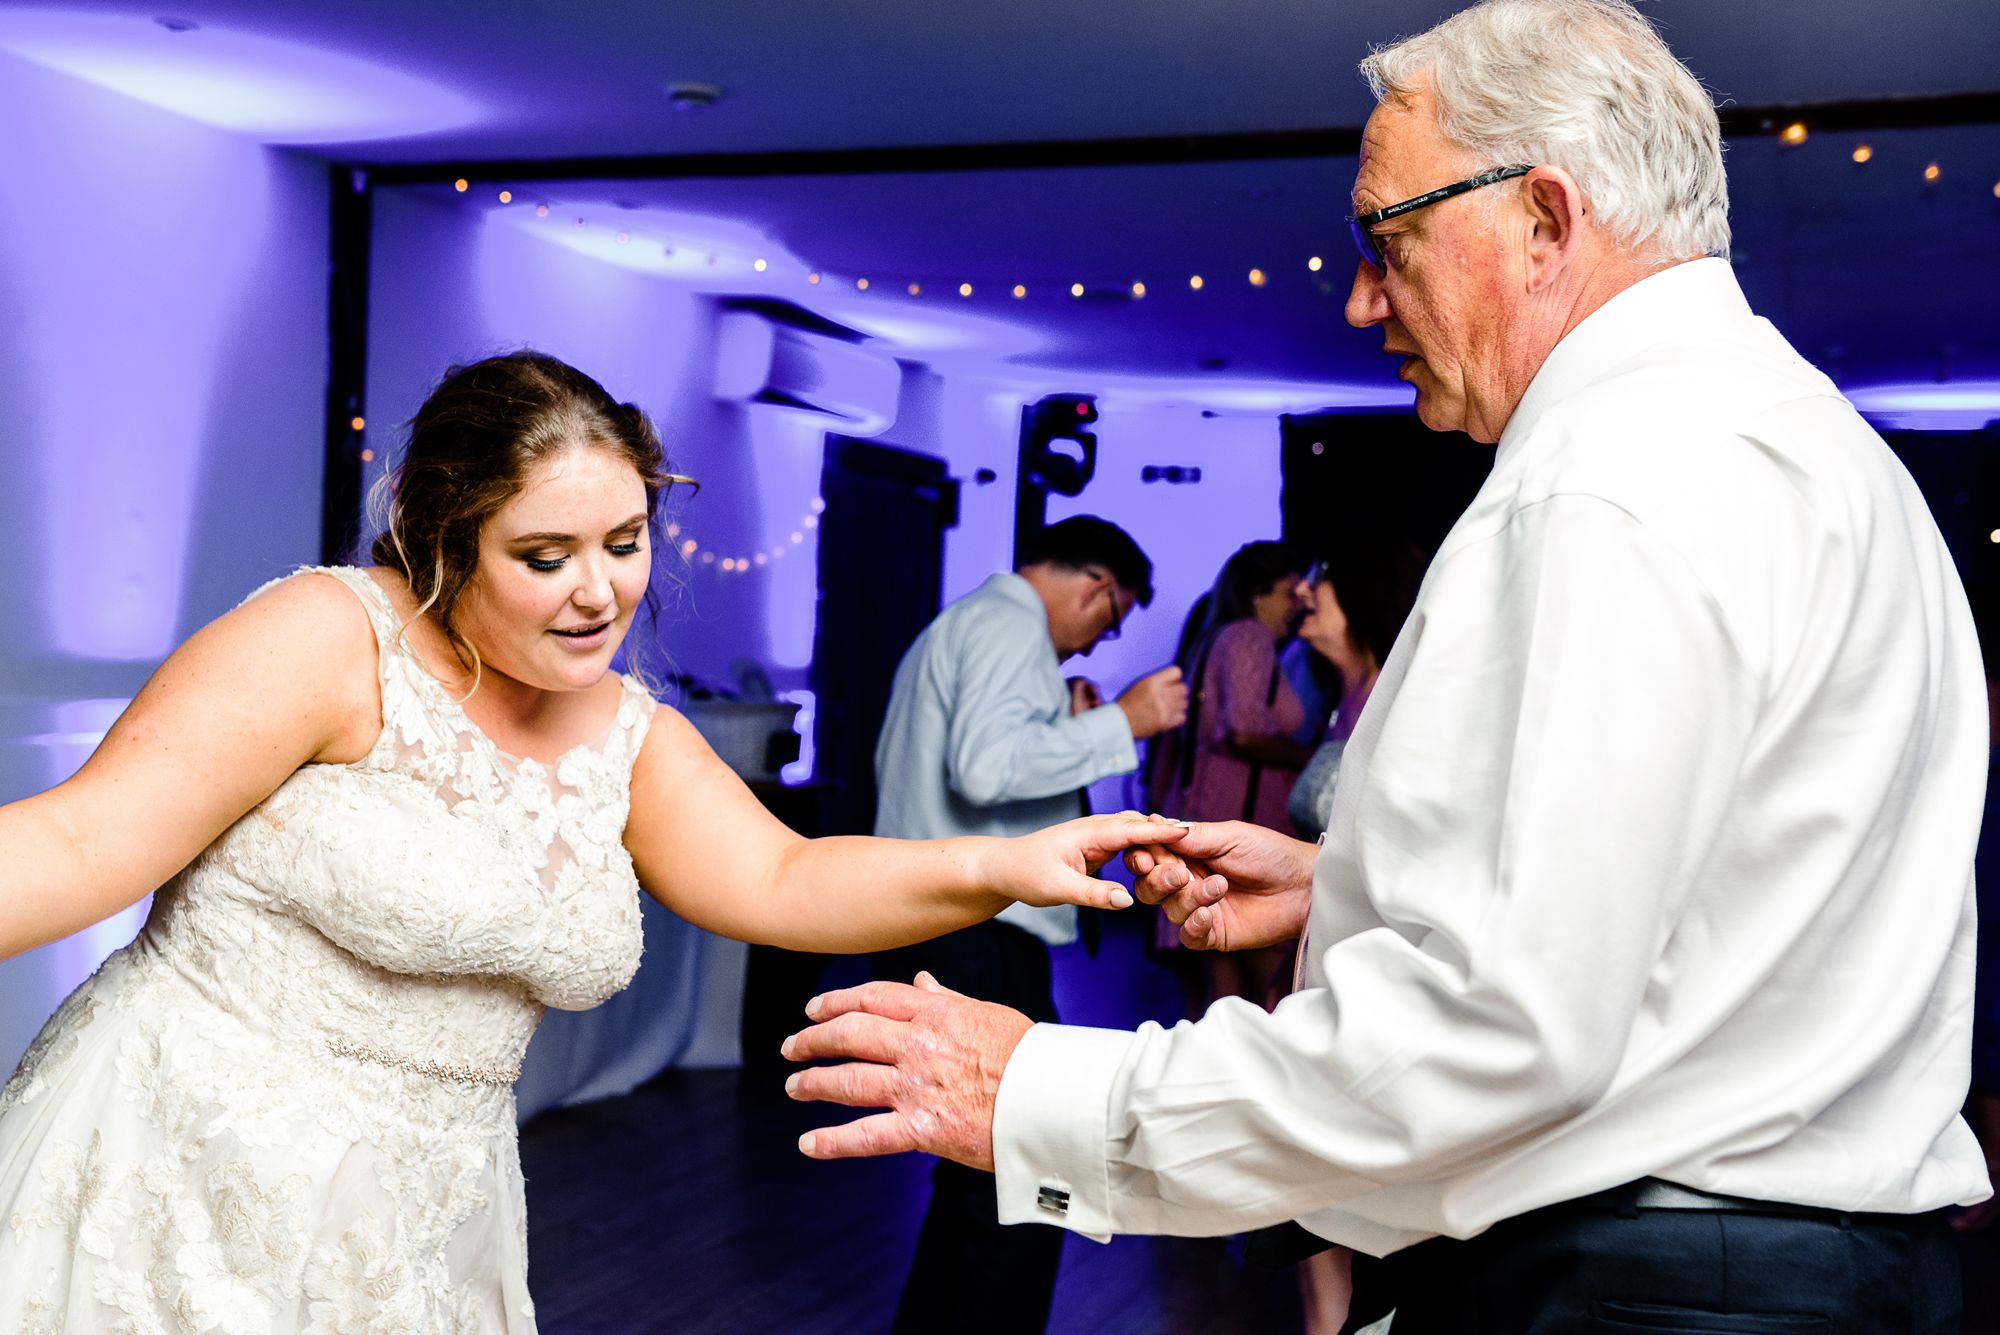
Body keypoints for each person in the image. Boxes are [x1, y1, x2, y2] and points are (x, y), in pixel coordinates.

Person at [780, 3, 1991, 1331]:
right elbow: (1723, 901)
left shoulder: (1608, 486)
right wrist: (1351, 882)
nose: (1361, 297)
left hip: (1648, 1282)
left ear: (1544, 216)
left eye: (1387, 240)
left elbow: (1502, 1029)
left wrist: (1046, 1092)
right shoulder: (1823, 453)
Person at [0, 352, 1183, 1331]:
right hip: (181, 1164)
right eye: (543, 557)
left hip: (423, 1214)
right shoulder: (327, 639)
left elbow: (781, 875)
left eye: (623, 542)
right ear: (441, 533)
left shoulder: (626, 732)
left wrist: (998, 865)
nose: (598, 594)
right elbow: (75, 845)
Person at [867, 514, 1187, 1335]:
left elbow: (985, 756)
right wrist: (1124, 721)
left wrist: (1065, 721)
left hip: (947, 923)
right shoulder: (1010, 627)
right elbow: (984, 770)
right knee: (1021, 1163)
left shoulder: (971, 622)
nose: (1087, 644)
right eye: (1104, 622)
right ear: (1096, 587)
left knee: (972, 1166)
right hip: (983, 929)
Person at [1151, 540, 1310, 1016]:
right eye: (1289, 591)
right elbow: (1243, 731)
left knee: (1212, 991)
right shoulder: (1248, 636)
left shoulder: (1210, 636)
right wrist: (1315, 759)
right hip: (1241, 818)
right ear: (1259, 594)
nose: (1299, 602)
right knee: (1260, 997)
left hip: (1208, 809)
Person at [1285, 537, 1421, 840]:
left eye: (1319, 575)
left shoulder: (1399, 699)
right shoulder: (1336, 696)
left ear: (1361, 588)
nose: (1301, 589)